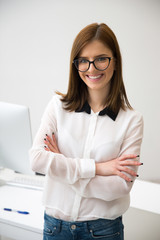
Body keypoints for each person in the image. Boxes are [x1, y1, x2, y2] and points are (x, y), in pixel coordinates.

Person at [29, 23, 143, 240]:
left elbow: (119, 187)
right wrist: (98, 168)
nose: (91, 68)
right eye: (83, 61)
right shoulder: (57, 106)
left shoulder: (132, 120)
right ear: (76, 64)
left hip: (103, 231)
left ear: (115, 61)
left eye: (101, 58)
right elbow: (36, 160)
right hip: (55, 229)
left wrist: (62, 165)